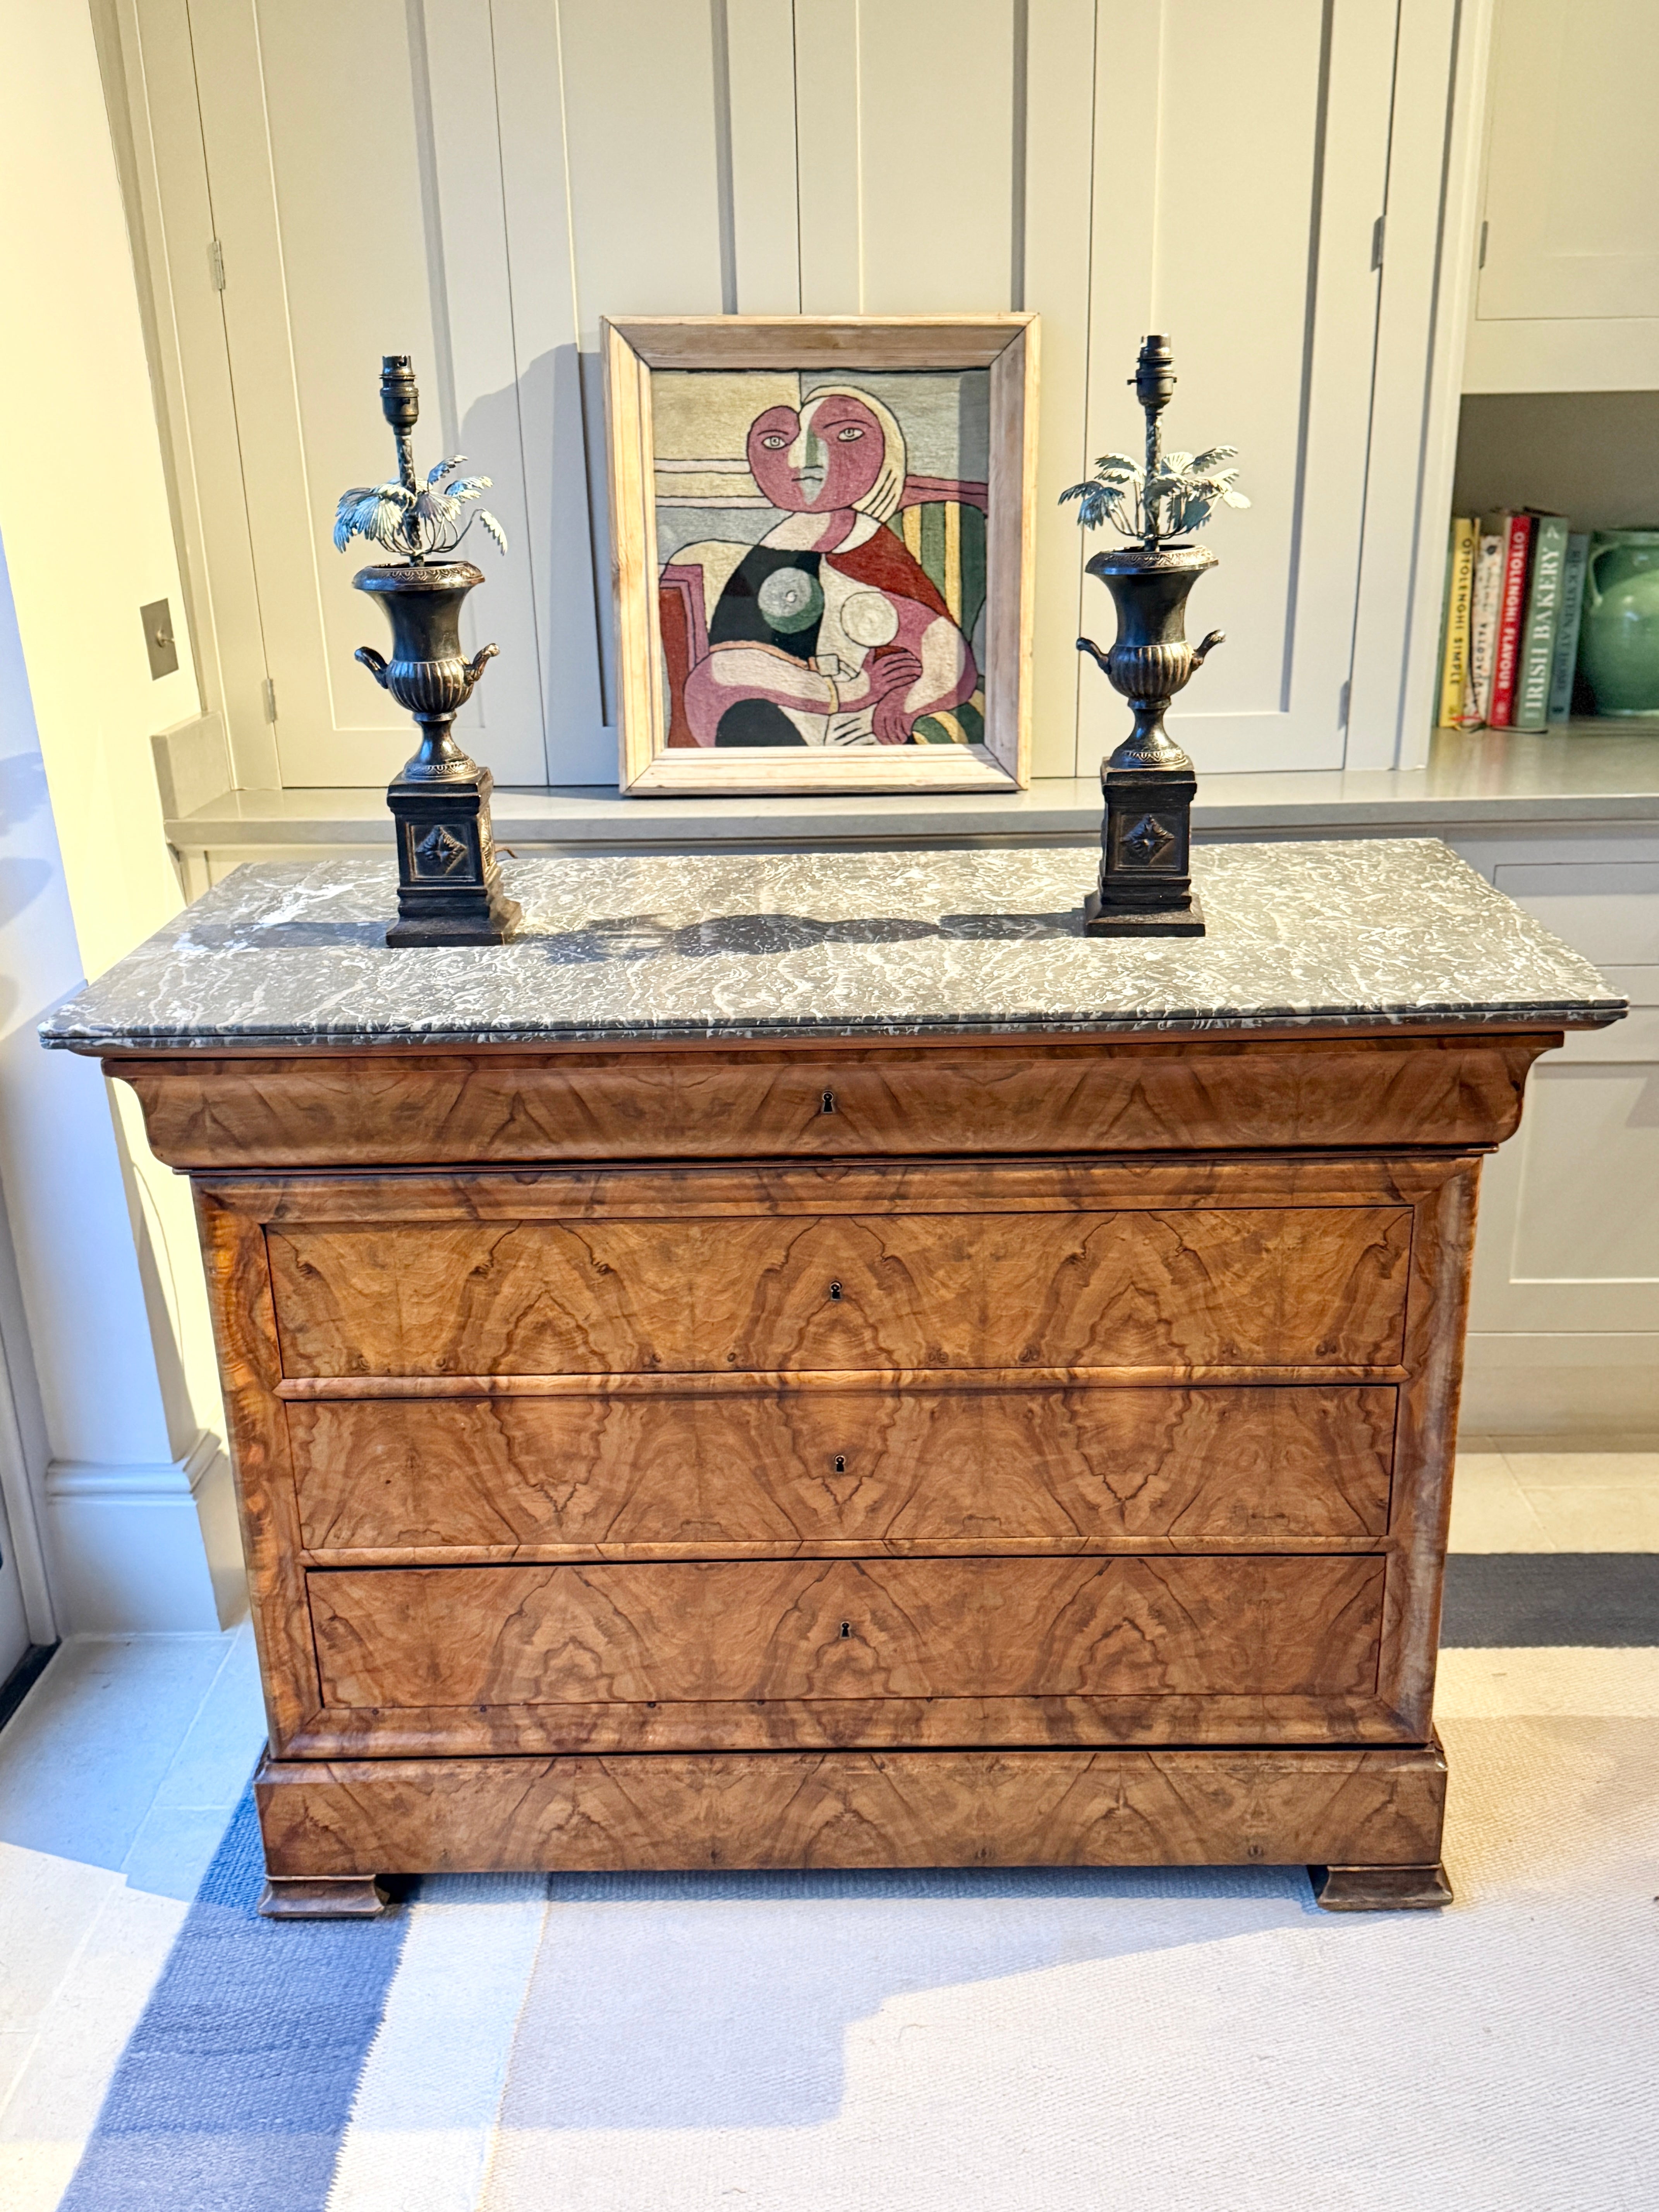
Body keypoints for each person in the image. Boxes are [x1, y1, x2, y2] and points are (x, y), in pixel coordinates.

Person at [667, 386, 977, 747]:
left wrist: (904, 704)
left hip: (857, 736)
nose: (802, 460)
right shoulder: (772, 551)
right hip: (766, 726)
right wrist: (845, 692)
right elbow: (720, 674)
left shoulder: (869, 548)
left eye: (846, 435)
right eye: (775, 442)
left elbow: (947, 656)